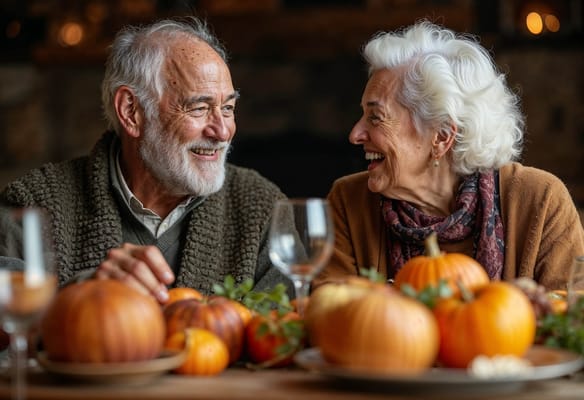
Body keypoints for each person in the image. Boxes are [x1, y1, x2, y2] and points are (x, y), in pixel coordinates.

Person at [0, 17, 293, 303]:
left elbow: (280, 335)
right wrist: (81, 297)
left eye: (227, 108)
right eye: (199, 108)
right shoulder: (34, 203)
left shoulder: (260, 207)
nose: (223, 131)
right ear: (131, 112)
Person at [313, 21, 584, 291]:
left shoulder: (539, 200)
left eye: (376, 117)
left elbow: (570, 320)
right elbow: (330, 314)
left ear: (442, 136)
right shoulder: (349, 202)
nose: (355, 134)